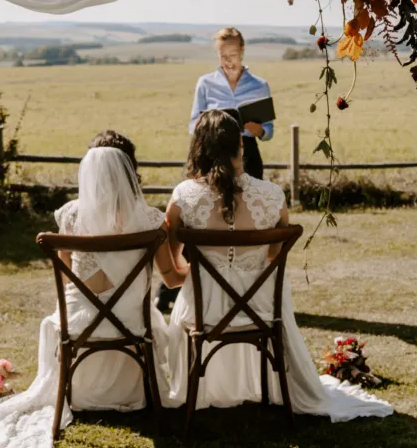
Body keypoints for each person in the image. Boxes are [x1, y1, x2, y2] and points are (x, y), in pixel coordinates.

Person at [0, 131, 186, 448]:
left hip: (80, 322)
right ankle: (134, 393)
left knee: (73, 307)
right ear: (130, 170)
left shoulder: (71, 217)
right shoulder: (150, 219)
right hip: (132, 322)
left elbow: (64, 278)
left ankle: (76, 394)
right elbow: (169, 277)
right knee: (141, 309)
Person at [165, 110, 394, 420]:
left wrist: (198, 274)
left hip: (203, 313)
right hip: (261, 310)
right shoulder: (272, 196)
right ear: (241, 147)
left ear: (198, 149)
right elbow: (273, 257)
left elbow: (172, 267)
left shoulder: (183, 197)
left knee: (186, 303)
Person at [190, 27, 273, 180]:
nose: (228, 61)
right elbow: (193, 124)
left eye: (233, 55)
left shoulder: (260, 85)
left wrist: (260, 131)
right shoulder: (205, 83)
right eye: (223, 56)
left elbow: (269, 130)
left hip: (248, 155)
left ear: (242, 51)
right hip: (213, 155)